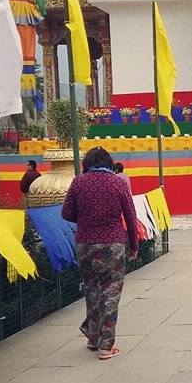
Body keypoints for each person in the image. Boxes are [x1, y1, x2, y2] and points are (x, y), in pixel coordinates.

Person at [61, 146, 139, 360]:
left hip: (85, 244)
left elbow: (66, 212)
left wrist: (86, 219)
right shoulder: (118, 183)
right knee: (110, 294)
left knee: (92, 290)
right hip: (112, 245)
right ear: (109, 163)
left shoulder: (78, 182)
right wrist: (134, 245)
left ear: (86, 164)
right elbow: (130, 216)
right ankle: (106, 346)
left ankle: (93, 336)